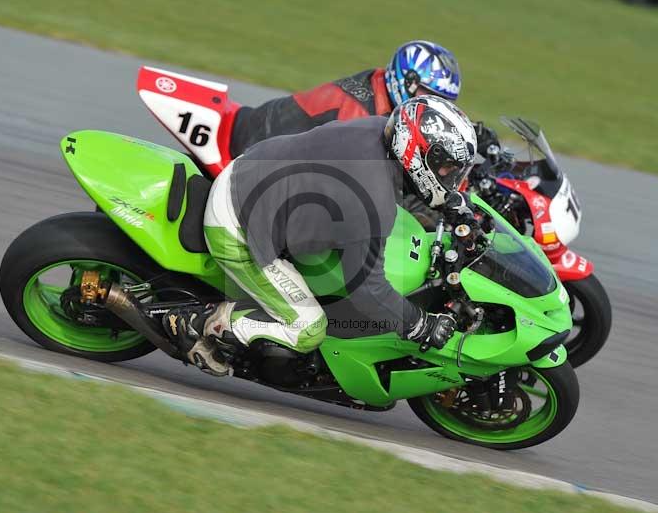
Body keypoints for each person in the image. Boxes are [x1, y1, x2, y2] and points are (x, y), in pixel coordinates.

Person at [164, 96, 478, 376]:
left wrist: (451, 205)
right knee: (308, 328)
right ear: (418, 153)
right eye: (447, 168)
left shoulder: (377, 129)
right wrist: (419, 324)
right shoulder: (373, 203)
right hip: (237, 228)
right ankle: (200, 324)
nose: (450, 177)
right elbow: (369, 293)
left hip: (247, 174)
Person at [227, 39, 500, 163]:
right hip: (250, 149)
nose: (434, 106)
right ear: (407, 82)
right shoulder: (358, 115)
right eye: (430, 96)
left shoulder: (381, 88)